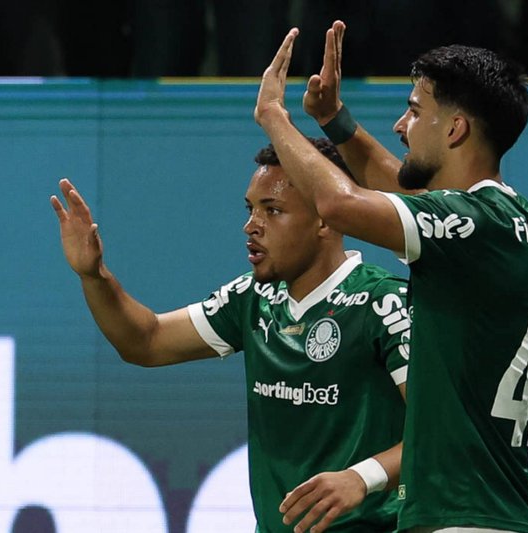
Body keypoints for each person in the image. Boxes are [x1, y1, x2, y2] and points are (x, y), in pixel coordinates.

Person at [255, 22, 528, 533]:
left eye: (415, 111)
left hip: (464, 517)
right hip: (488, 512)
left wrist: (273, 119)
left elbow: (341, 203)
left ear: (456, 129)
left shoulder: (477, 224)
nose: (401, 125)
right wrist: (333, 120)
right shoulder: (506, 220)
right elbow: (397, 192)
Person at [50, 138, 410, 533]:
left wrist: (361, 477)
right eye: (250, 209)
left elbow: (441, 433)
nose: (251, 226)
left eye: (272, 210)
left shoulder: (383, 303)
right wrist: (93, 275)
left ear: (326, 218)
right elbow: (145, 342)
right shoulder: (252, 298)